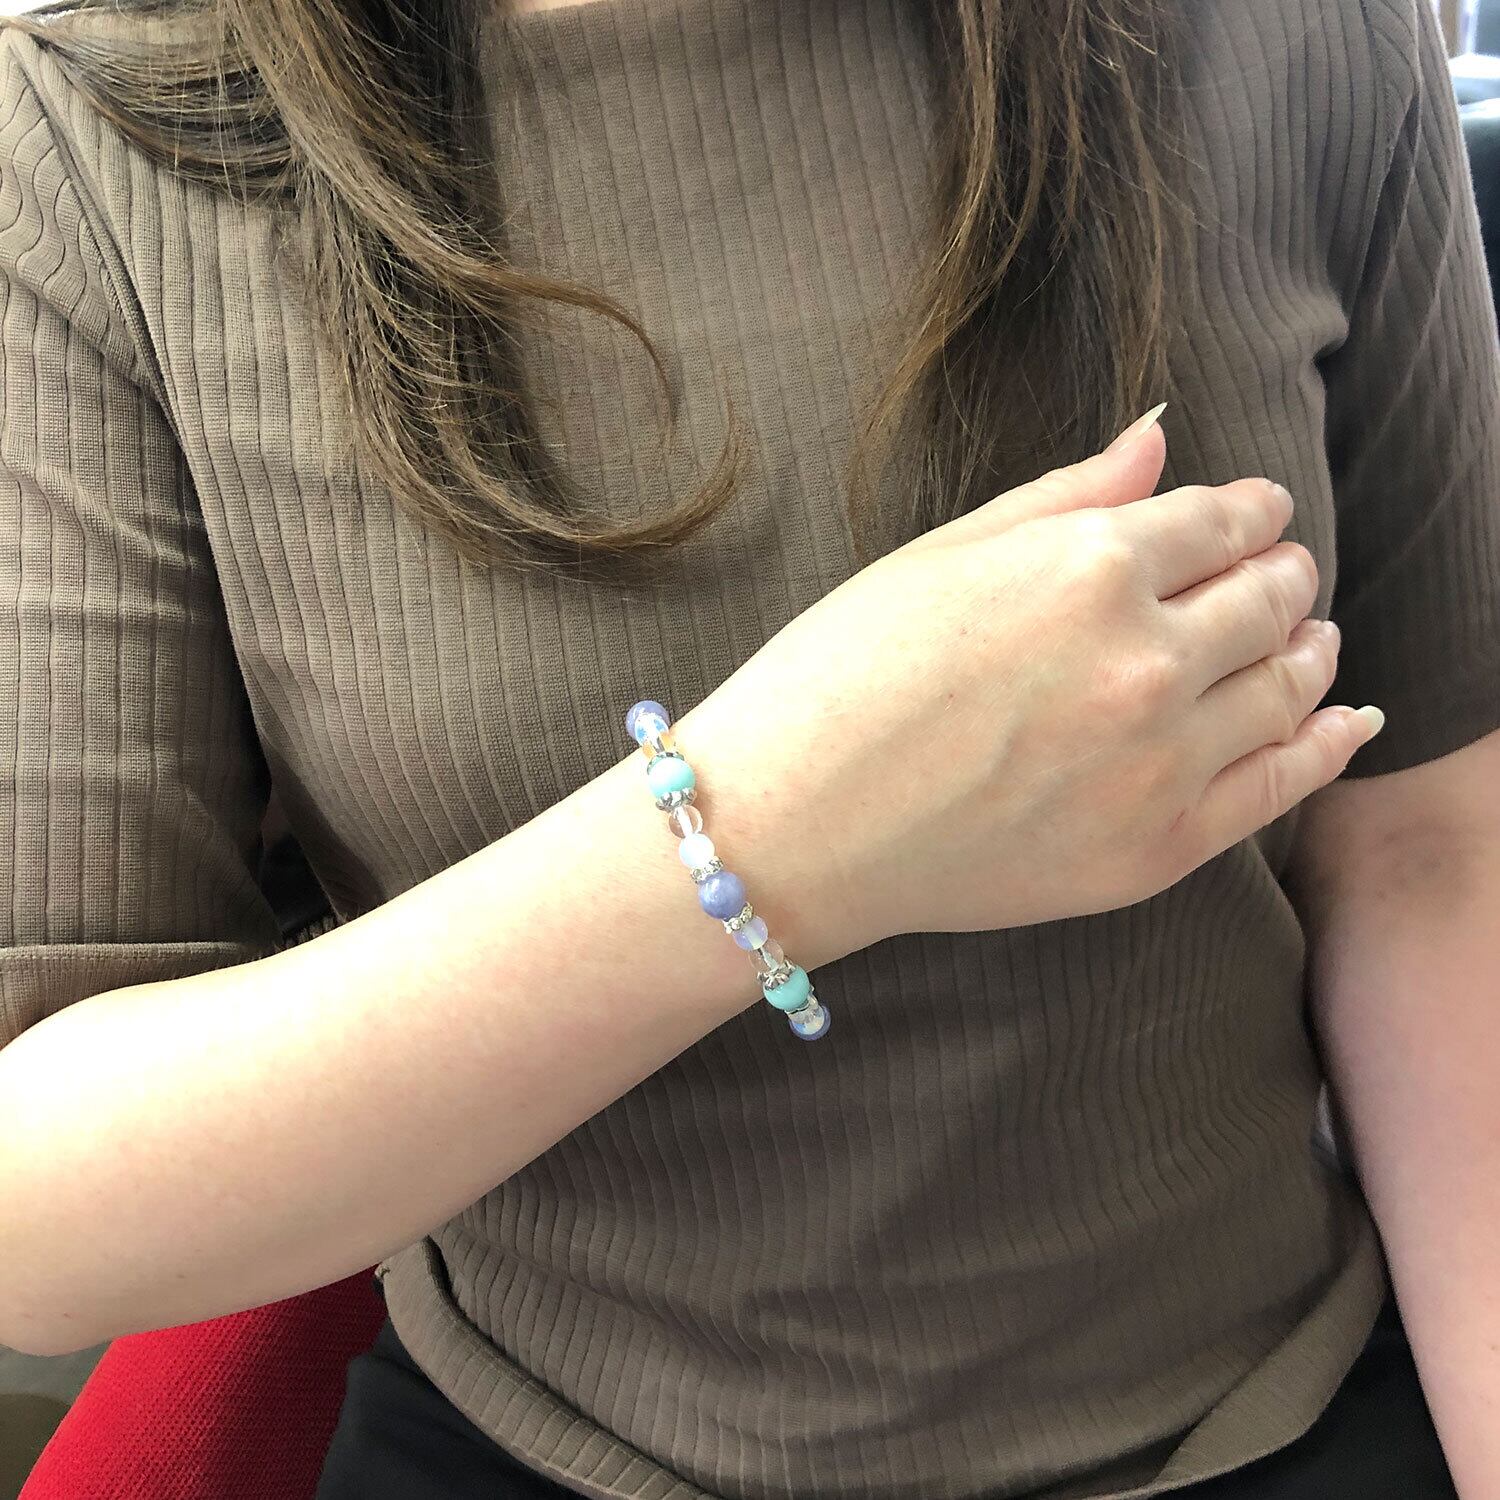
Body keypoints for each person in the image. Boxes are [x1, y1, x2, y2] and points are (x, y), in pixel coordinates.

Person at [0, 0, 1496, 1496]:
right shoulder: (84, 150)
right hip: (543, 1441)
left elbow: (1429, 846)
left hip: (1291, 1398)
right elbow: (32, 1213)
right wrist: (782, 833)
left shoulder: (1304, 37)